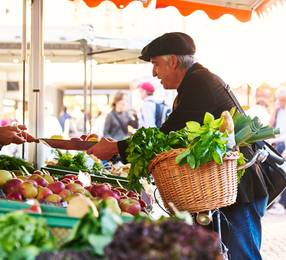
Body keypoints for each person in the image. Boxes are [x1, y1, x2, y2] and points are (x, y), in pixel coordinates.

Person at [87, 32, 269, 259]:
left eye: (155, 64)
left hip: (239, 189)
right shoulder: (195, 82)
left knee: (242, 256)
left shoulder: (199, 83)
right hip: (225, 188)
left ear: (173, 61)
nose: (154, 73)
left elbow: (166, 135)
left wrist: (115, 149)